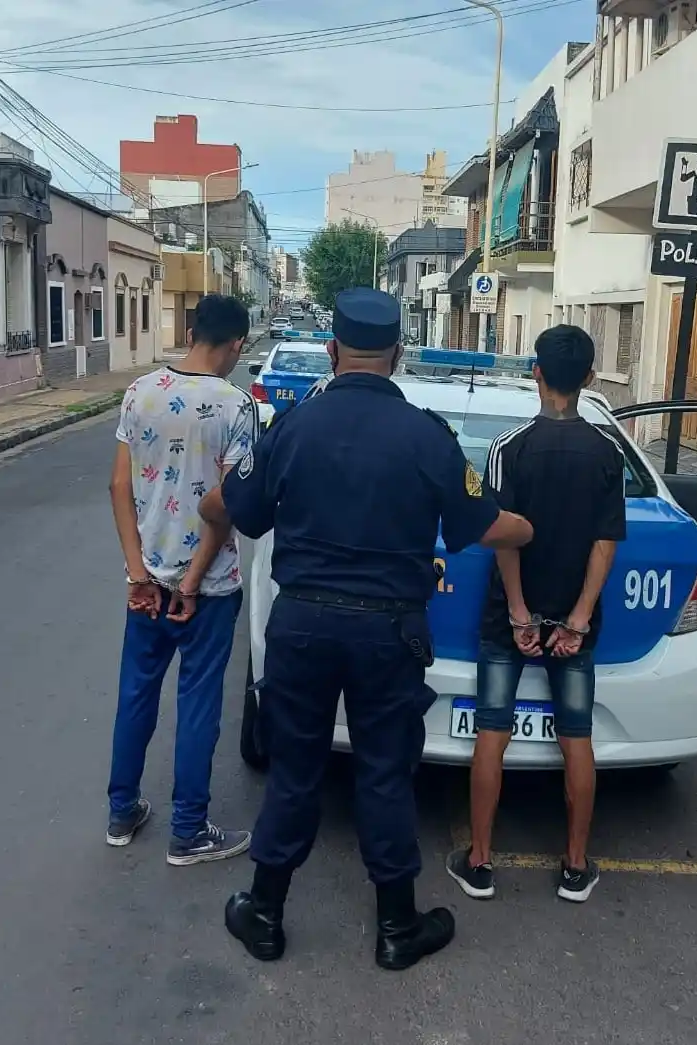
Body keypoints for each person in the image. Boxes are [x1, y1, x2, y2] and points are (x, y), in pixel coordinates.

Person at [199, 288, 533, 970]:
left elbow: (232, 509)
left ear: (332, 351)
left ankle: (264, 915)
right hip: (388, 632)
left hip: (302, 626)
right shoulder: (427, 435)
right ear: (398, 355)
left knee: (295, 769)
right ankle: (396, 927)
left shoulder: (294, 425)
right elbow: (484, 525)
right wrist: (531, 528)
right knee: (384, 774)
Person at [446, 324, 626, 905]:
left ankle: (479, 862)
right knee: (577, 737)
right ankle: (575, 867)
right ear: (590, 379)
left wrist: (521, 614)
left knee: (492, 731)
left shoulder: (509, 449)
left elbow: (506, 537)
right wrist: (577, 619)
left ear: (536, 373)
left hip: (510, 621)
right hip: (574, 626)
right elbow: (605, 543)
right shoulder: (607, 452)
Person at [106, 294, 258, 867]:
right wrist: (192, 581)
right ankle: (188, 831)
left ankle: (122, 812)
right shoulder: (236, 406)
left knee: (136, 693)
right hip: (208, 589)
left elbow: (119, 487)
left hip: (146, 584)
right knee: (198, 702)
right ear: (237, 345)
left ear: (191, 333)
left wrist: (137, 574)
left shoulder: (139, 392)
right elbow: (227, 503)